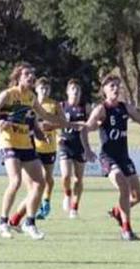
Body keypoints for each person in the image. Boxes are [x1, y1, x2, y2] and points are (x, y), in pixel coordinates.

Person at [79, 74, 140, 241]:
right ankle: (126, 229)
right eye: (112, 86)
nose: (116, 89)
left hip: (124, 158)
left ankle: (118, 211)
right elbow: (84, 129)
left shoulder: (126, 108)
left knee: (138, 196)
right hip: (108, 157)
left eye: (118, 86)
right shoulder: (101, 109)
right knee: (123, 186)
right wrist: (87, 149)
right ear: (104, 90)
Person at [0, 62, 71, 239]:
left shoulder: (31, 97)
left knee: (40, 183)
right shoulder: (8, 95)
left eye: (32, 74)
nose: (31, 77)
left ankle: (29, 223)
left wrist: (65, 122)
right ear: (18, 77)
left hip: (25, 143)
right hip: (8, 142)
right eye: (27, 75)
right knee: (15, 181)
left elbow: (44, 117)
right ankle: (2, 222)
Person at [32, 77, 63, 220]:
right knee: (39, 178)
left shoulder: (54, 104)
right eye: (41, 88)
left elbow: (63, 122)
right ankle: (36, 204)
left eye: (47, 88)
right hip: (34, 147)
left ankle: (46, 201)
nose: (44, 91)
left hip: (50, 147)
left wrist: (53, 129)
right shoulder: (32, 103)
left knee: (48, 178)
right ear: (36, 89)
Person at [59, 79, 89, 219]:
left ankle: (74, 208)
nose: (75, 91)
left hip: (80, 147)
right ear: (67, 91)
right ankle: (67, 194)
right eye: (73, 89)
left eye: (78, 89)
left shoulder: (85, 108)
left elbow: (89, 125)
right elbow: (53, 123)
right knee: (65, 175)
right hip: (65, 145)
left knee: (78, 179)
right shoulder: (61, 106)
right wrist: (57, 136)